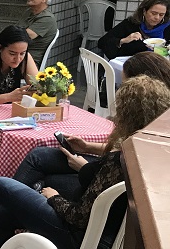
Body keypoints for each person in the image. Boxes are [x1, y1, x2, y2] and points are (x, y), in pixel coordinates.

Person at [0, 75, 170, 249]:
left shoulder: (118, 163)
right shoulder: (145, 153)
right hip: (105, 238)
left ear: (128, 116)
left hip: (82, 241)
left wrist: (54, 197)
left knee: (0, 185)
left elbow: (79, 217)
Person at [14, 51, 170, 195]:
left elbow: (124, 175)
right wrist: (88, 147)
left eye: (125, 86)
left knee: (45, 180)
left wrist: (84, 168)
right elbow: (121, 153)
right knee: (39, 156)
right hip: (107, 169)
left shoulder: (155, 131)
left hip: (111, 186)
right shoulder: (145, 118)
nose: (121, 92)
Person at [99, 0, 170, 59]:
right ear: (144, 11)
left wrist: (165, 50)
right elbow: (102, 42)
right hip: (131, 66)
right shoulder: (131, 24)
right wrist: (123, 40)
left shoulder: (167, 27)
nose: (157, 18)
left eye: (161, 15)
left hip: (160, 65)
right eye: (154, 13)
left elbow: (167, 52)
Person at [16, 0, 58, 67]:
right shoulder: (28, 12)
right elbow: (15, 31)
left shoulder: (47, 18)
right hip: (16, 55)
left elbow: (22, 37)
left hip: (29, 62)